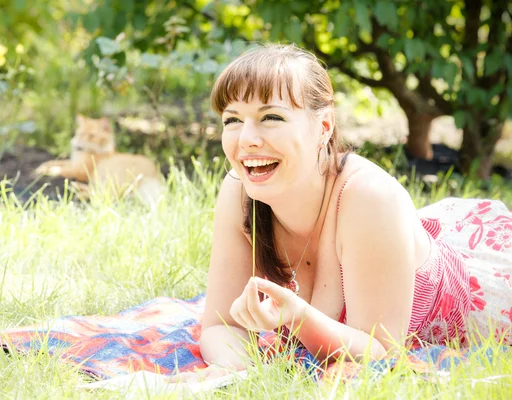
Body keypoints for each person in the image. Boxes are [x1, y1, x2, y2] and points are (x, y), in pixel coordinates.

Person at [171, 43, 512, 383]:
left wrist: (300, 317)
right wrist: (238, 371)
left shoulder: (368, 198)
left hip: (483, 304)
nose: (246, 139)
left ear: (324, 127)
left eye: (271, 117)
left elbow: (381, 352)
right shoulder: (239, 190)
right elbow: (220, 324)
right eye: (232, 120)